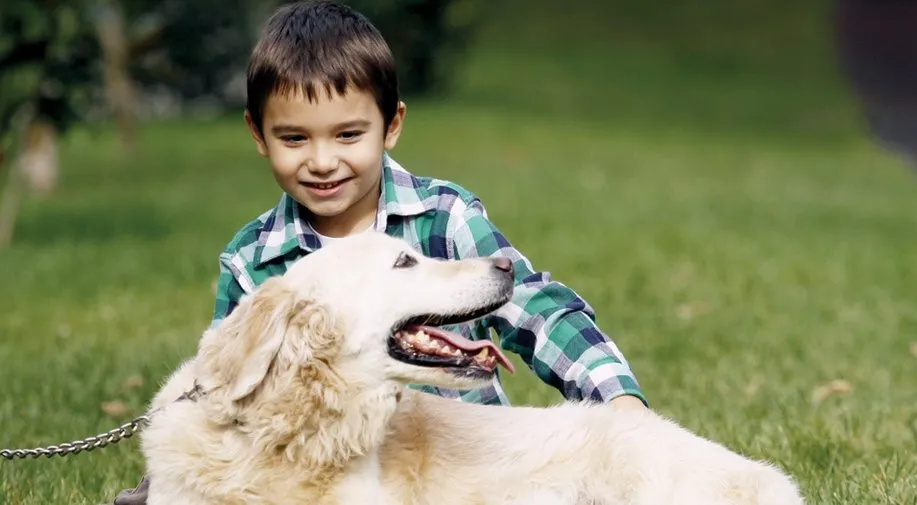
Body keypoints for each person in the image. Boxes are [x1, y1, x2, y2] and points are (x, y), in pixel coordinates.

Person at [114, 1, 648, 503]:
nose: (323, 161)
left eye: (348, 134)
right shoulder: (254, 259)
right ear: (258, 134)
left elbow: (537, 312)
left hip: (460, 459)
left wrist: (619, 402)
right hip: (317, 471)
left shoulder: (444, 216)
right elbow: (229, 389)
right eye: (295, 139)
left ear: (391, 125)